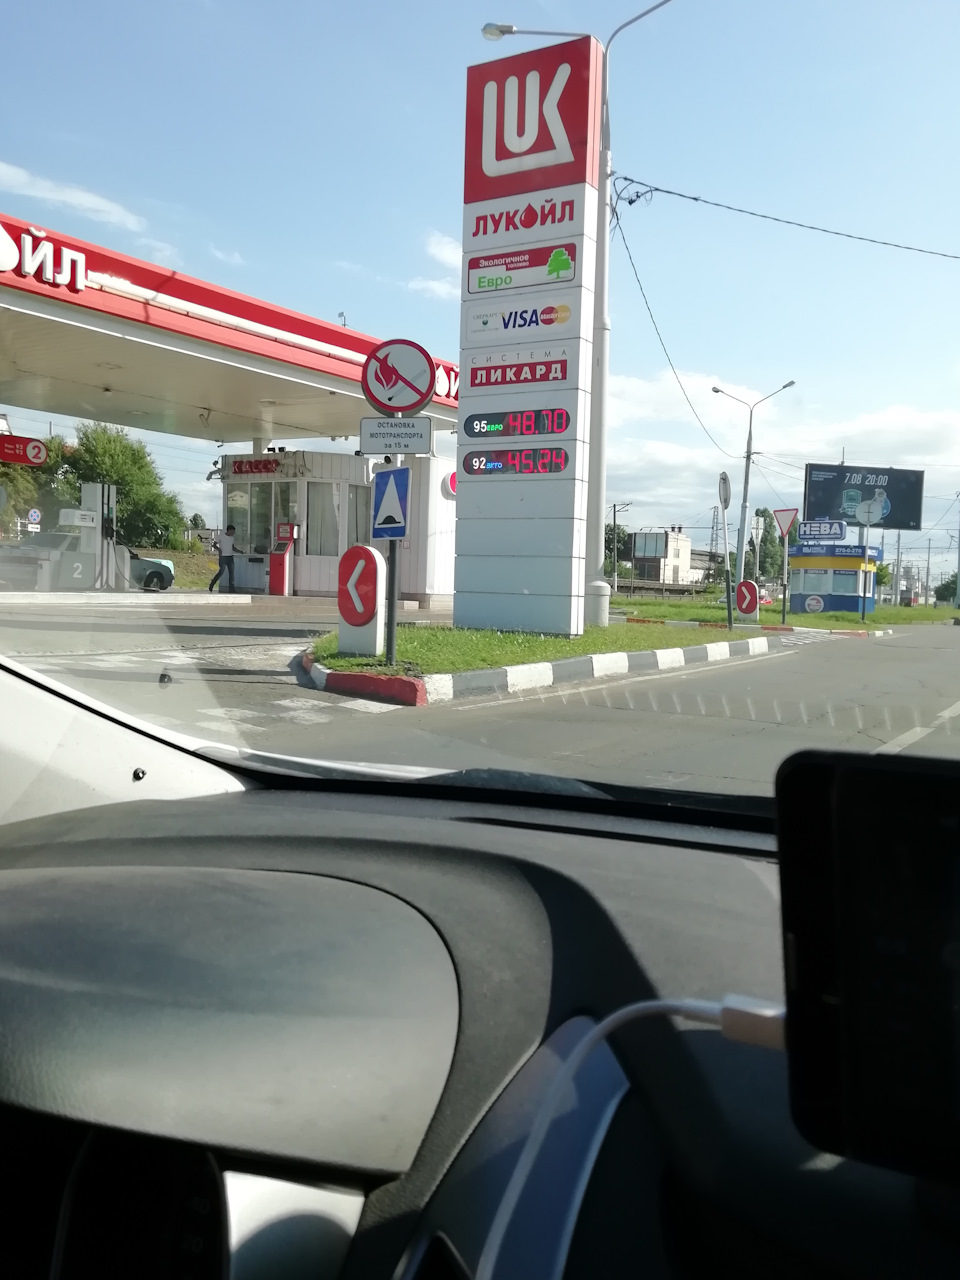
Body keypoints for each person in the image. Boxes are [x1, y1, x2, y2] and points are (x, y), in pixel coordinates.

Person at [209, 525, 241, 593]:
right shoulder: (221, 536)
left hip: (230, 557)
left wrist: (240, 551)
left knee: (231, 573)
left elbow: (233, 547)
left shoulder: (232, 538)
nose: (233, 533)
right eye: (233, 531)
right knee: (221, 572)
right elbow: (214, 545)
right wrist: (219, 550)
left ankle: (232, 589)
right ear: (229, 530)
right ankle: (212, 584)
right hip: (223, 557)